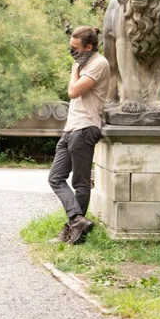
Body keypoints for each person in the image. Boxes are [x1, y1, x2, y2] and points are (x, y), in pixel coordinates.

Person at [48, 26, 111, 245]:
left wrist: (75, 67)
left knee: (81, 182)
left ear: (89, 47)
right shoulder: (84, 63)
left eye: (75, 48)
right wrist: (77, 64)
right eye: (70, 47)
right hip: (71, 128)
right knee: (55, 177)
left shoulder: (98, 64)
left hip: (85, 128)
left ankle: (74, 233)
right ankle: (76, 219)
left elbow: (73, 91)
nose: (72, 52)